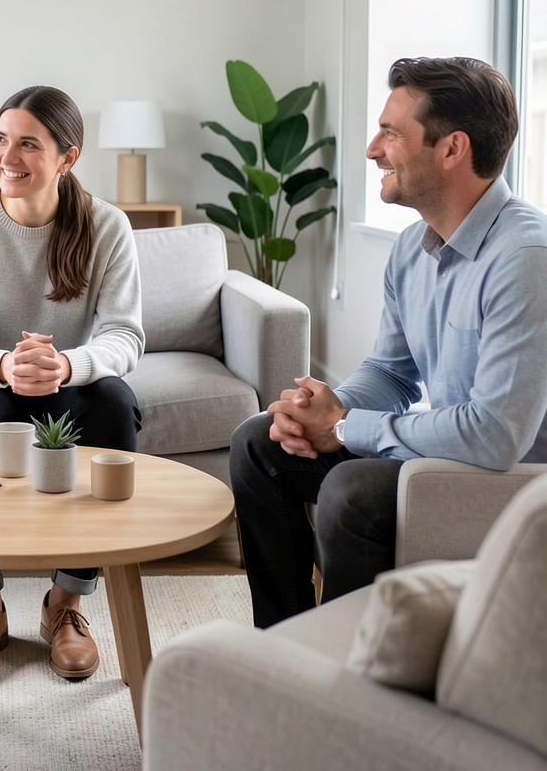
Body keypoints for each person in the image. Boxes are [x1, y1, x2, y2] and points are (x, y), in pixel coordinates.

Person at [230, 55, 547, 628]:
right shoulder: (412, 248)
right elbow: (394, 373)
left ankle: (354, 686)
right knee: (260, 443)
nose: (373, 149)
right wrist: (318, 411)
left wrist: (347, 429)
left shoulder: (525, 259)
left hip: (515, 483)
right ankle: (288, 645)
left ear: (452, 149)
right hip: (460, 456)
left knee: (354, 490)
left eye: (391, 133)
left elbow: (496, 436)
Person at [0, 85, 144, 683]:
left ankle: (66, 604)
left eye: (27, 144)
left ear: (67, 158)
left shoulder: (106, 226)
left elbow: (125, 336)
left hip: (67, 381)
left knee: (117, 401)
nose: (7, 155)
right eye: (0, 138)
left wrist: (68, 365)